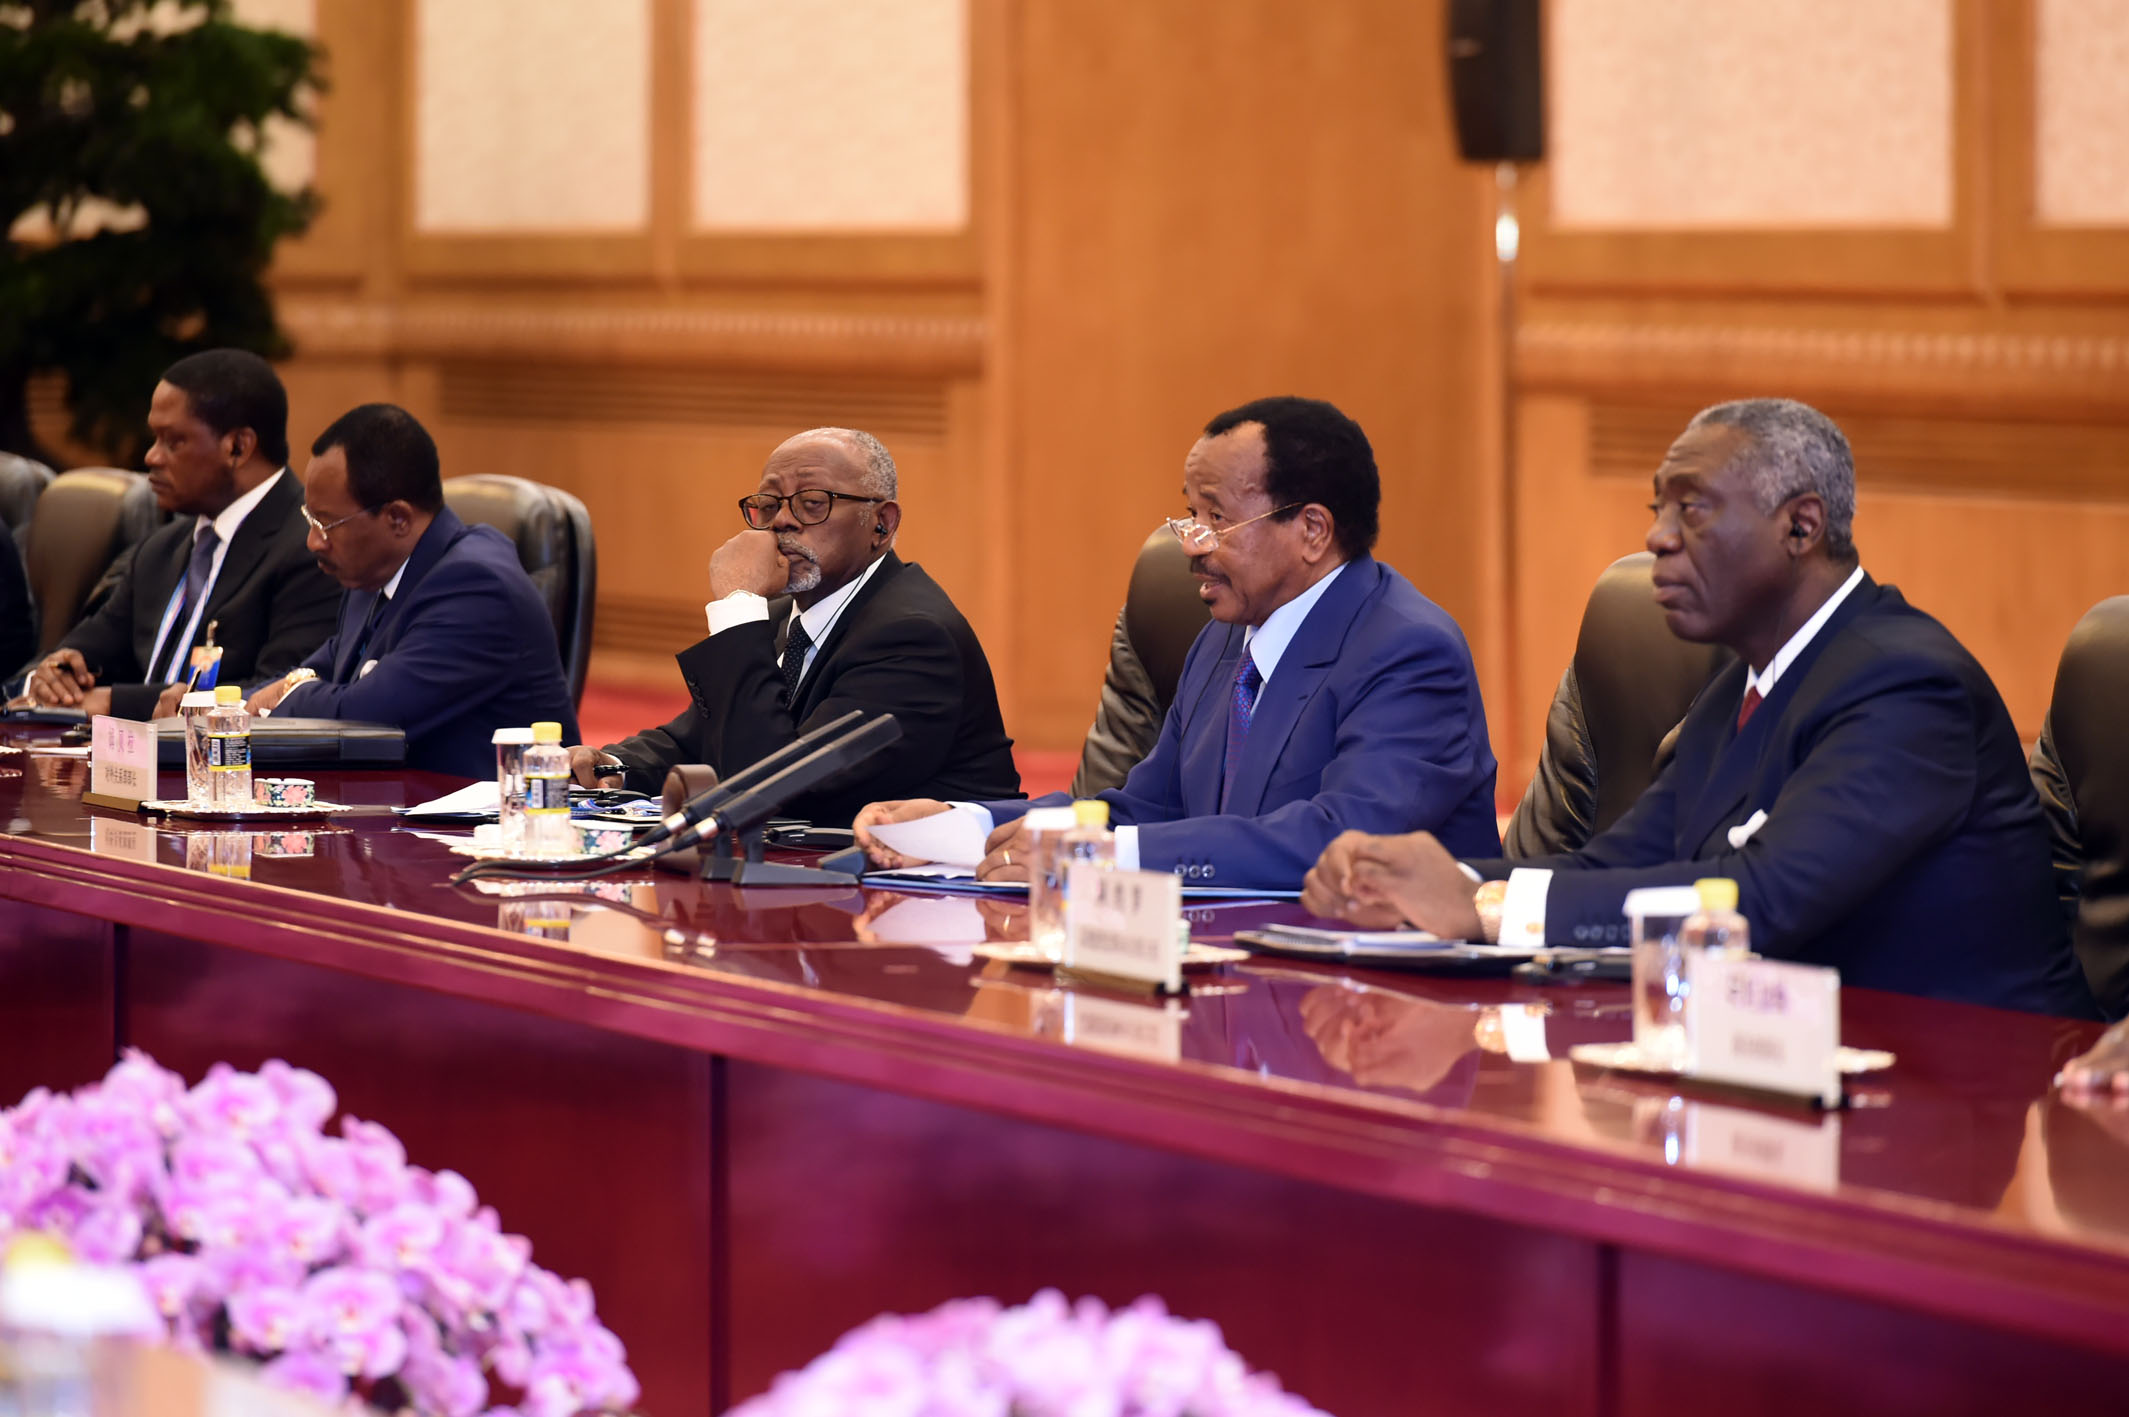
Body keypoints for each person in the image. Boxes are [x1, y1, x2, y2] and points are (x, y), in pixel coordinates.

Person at [1303, 398, 2095, 1018]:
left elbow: (1761, 899)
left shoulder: (1909, 687)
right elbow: (1614, 865)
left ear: (1800, 525)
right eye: (1657, 509)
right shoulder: (1741, 686)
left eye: (1692, 509)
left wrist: (1480, 905)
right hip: (1796, 1068)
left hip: (1984, 1102)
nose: (1656, 537)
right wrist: (1419, 877)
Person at [856, 396, 1500, 889]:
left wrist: (1100, 857)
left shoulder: (1409, 652)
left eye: (1216, 517)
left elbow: (1342, 844)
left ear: (1311, 530)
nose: (1192, 543)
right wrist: (963, 827)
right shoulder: (1224, 639)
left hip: (1388, 1018)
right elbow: (1145, 810)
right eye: (1189, 514)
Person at [569, 427, 1019, 827]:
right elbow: (701, 739)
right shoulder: (788, 615)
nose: (782, 521)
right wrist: (611, 765)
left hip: (934, 896)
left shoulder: (913, 638)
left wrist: (736, 604)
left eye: (812, 504)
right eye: (768, 505)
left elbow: (771, 789)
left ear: (881, 524)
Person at [243, 404, 578, 778]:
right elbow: (320, 669)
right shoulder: (371, 575)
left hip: (503, 825)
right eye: (311, 519)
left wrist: (286, 693)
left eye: (327, 523)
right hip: (399, 811)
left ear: (398, 519)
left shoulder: (478, 588)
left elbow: (367, 717)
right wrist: (231, 710)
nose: (313, 542)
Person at [8, 350, 338, 718]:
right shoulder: (160, 548)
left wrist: (116, 701)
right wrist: (56, 675)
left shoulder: (311, 548)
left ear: (238, 447)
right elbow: (84, 651)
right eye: (154, 438)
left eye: (173, 441)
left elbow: (279, 694)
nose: (152, 457)